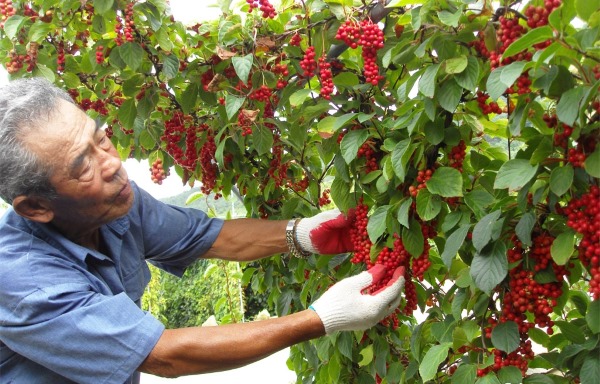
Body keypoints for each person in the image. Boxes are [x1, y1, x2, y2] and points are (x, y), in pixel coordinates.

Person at [0, 77, 405, 384]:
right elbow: (163, 355)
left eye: (100, 138)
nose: (111, 163)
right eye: (81, 166)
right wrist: (323, 318)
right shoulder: (23, 282)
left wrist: (300, 233)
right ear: (36, 207)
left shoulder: (115, 202)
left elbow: (204, 236)